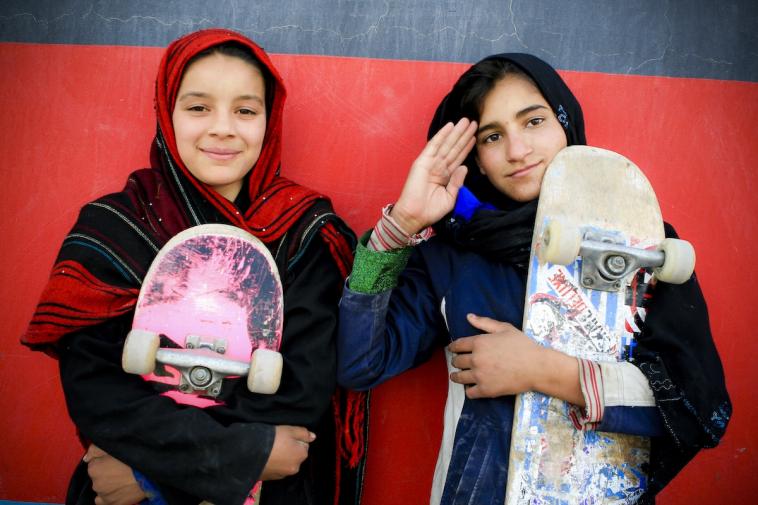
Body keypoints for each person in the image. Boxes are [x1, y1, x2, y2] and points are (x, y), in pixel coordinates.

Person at [337, 53, 731, 504]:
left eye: (533, 121)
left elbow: (696, 409)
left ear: (566, 122)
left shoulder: (639, 244)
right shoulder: (453, 255)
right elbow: (359, 365)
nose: (517, 150)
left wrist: (542, 371)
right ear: (476, 160)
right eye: (492, 136)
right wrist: (399, 227)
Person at [22, 29, 363, 505]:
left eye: (245, 110)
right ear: (166, 111)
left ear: (270, 119)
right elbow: (96, 390)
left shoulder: (301, 232)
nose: (223, 127)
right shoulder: (116, 225)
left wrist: (148, 477)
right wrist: (244, 454)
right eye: (198, 107)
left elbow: (301, 389)